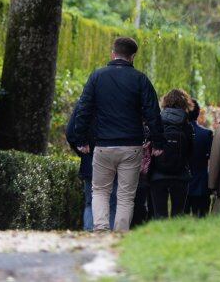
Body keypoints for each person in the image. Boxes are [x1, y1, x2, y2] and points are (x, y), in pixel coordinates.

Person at [67, 36, 164, 232]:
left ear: (113, 53)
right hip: (131, 146)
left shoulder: (97, 77)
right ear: (133, 56)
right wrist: (158, 143)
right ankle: (120, 234)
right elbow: (153, 113)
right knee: (126, 195)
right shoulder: (140, 79)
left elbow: (83, 109)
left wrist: (81, 139)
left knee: (100, 191)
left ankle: (101, 230)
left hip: (103, 146)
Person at [65, 110, 117, 230]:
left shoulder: (84, 103)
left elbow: (70, 133)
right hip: (111, 158)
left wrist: (81, 148)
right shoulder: (114, 99)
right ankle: (111, 236)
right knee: (112, 202)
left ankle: (89, 233)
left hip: (90, 160)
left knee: (90, 202)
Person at [149, 88, 195, 219]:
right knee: (178, 214)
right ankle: (175, 238)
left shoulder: (157, 121)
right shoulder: (187, 125)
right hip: (180, 175)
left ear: (165, 101)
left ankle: (160, 238)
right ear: (185, 104)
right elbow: (190, 152)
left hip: (157, 175)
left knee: (159, 214)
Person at [186, 97, 213, 217]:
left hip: (182, 183)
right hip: (201, 183)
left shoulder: (175, 134)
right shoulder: (206, 134)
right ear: (198, 114)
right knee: (202, 218)